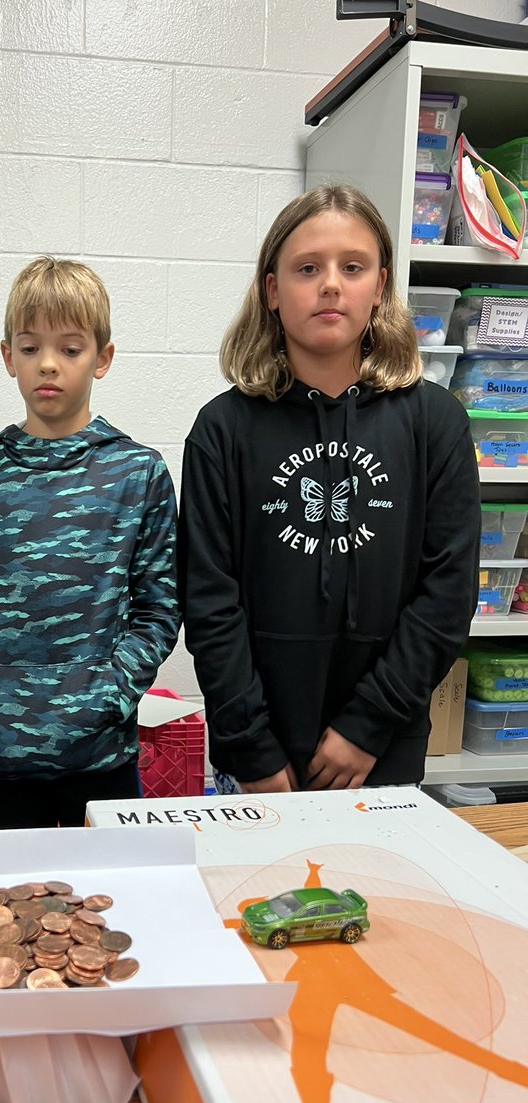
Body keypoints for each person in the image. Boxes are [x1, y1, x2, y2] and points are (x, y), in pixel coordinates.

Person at [178, 184, 479, 795]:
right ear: (271, 291)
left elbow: (448, 592)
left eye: (353, 267)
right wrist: (251, 748)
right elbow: (209, 602)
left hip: (383, 745)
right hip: (257, 757)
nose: (331, 284)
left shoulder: (435, 422)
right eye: (307, 268)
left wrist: (369, 724)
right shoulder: (222, 430)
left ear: (381, 288)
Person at [0, 256, 179, 828]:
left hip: (103, 763)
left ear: (103, 358)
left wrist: (109, 698)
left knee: (110, 912)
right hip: (2, 768)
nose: (48, 364)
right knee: (0, 915)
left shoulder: (138, 474)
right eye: (29, 348)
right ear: (8, 357)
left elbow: (159, 610)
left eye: (70, 349)